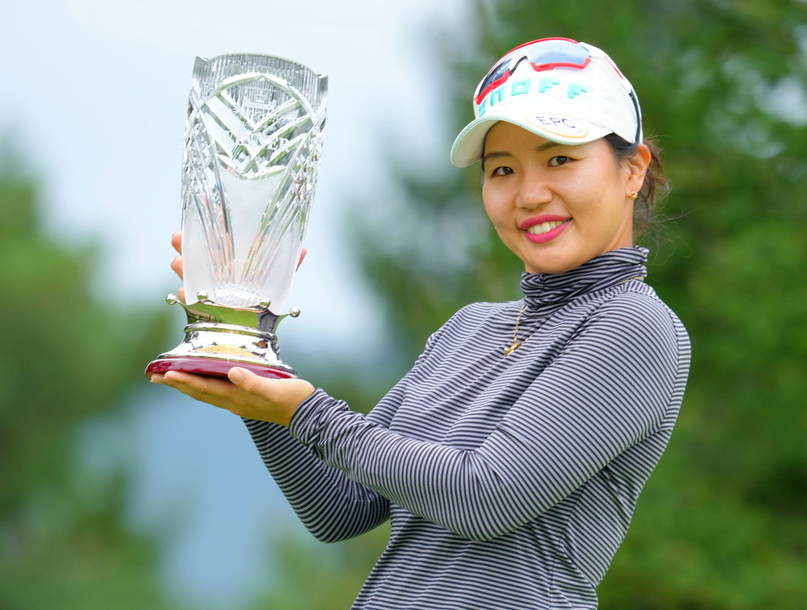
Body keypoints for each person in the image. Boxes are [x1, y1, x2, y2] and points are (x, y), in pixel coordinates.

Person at [151, 37, 691, 610]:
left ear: (633, 170)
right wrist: (250, 361)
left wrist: (303, 411)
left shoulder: (636, 325)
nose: (530, 194)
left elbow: (486, 496)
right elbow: (342, 507)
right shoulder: (470, 330)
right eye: (502, 169)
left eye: (560, 158)